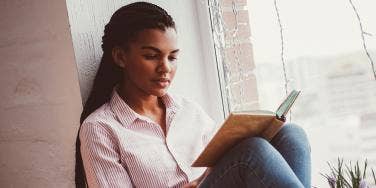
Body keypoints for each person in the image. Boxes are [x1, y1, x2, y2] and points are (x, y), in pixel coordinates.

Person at [75, 2, 311, 188]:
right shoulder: (100, 128)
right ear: (120, 57)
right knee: (252, 151)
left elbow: (221, 163)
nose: (165, 67)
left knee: (291, 134)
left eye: (172, 57)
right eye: (151, 56)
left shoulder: (187, 110)